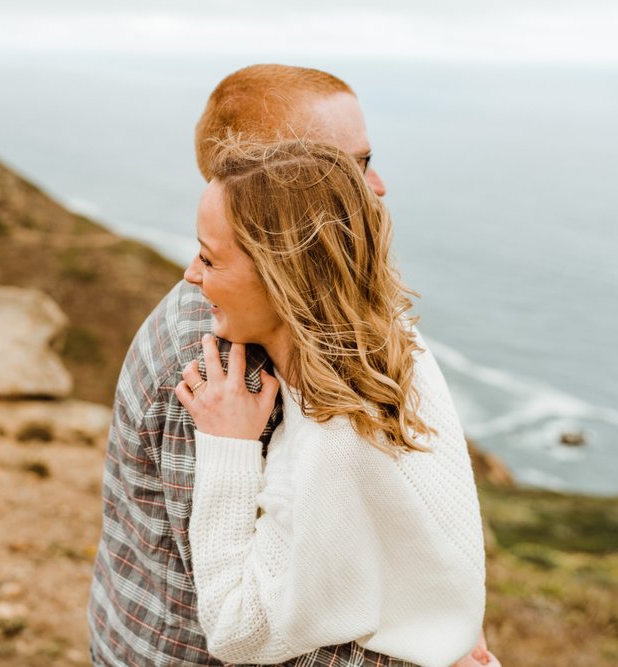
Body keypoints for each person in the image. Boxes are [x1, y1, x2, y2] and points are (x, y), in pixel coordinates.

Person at [88, 64, 499, 667]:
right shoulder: (225, 367)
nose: (376, 185)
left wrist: (447, 626)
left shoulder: (337, 336)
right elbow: (249, 630)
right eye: (350, 167)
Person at [175, 139, 485, 667]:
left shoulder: (333, 444)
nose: (191, 274)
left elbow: (235, 631)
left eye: (209, 257)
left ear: (282, 275)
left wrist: (227, 446)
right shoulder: (399, 340)